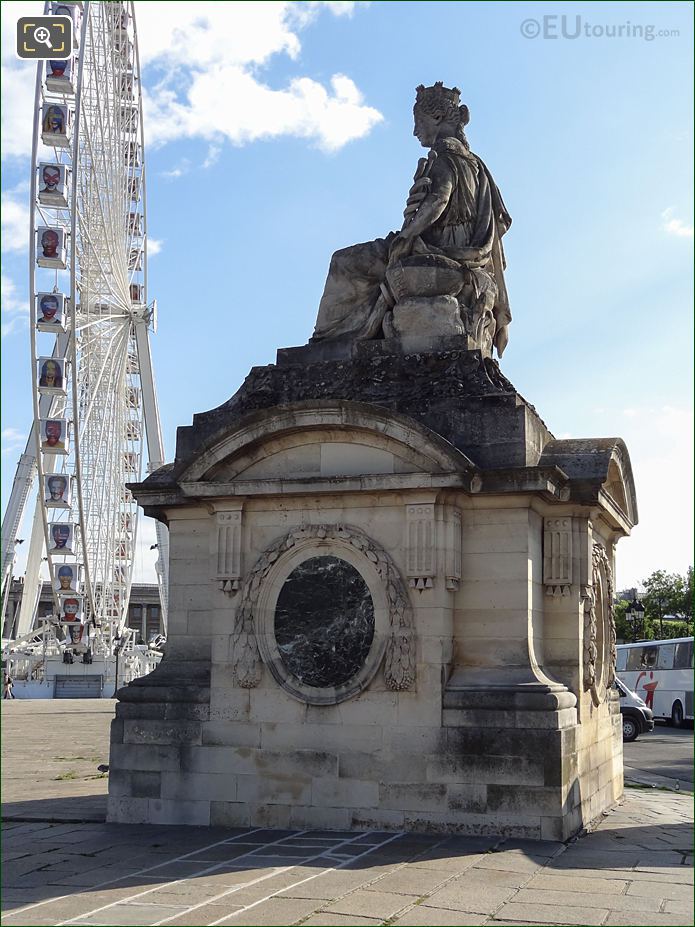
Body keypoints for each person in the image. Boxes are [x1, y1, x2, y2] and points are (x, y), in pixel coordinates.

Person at [312, 82, 512, 357]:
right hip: (447, 249)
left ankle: (328, 343)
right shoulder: (474, 162)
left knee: (343, 261)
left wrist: (407, 235)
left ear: (438, 118)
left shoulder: (446, 156)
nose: (415, 130)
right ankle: (340, 337)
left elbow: (439, 199)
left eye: (418, 121)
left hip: (433, 249)